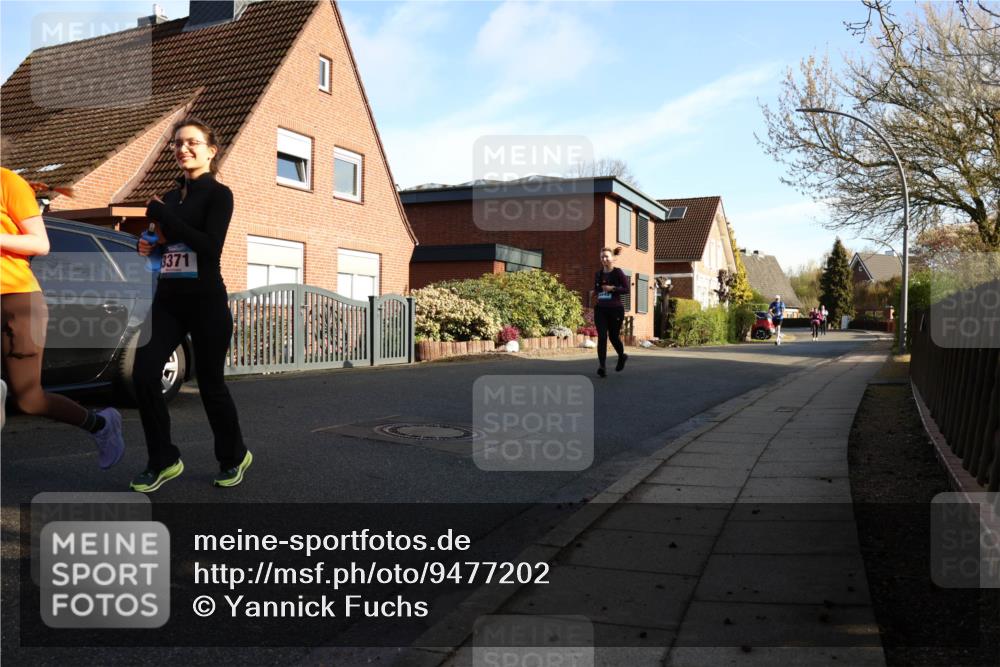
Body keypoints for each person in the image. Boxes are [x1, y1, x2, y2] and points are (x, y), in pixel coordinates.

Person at [130, 118, 251, 492]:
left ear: (211, 150)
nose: (182, 149)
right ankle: (163, 459)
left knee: (211, 384)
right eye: (177, 143)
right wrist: (149, 244)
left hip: (206, 302)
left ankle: (234, 456)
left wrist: (162, 217)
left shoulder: (218, 195)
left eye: (192, 143)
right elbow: (166, 242)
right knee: (144, 374)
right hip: (168, 300)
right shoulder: (169, 198)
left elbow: (209, 247)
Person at [0, 166, 124, 466]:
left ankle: (101, 425)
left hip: (15, 300)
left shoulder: (7, 182)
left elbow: (41, 243)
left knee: (29, 401)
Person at [593, 247, 629, 377]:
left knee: (613, 337)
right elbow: (596, 289)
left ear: (612, 258)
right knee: (602, 337)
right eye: (602, 257)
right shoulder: (598, 274)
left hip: (615, 309)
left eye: (606, 257)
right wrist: (596, 292)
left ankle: (621, 356)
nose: (604, 259)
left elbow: (626, 289)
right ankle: (602, 366)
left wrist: (612, 288)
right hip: (601, 309)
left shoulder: (618, 272)